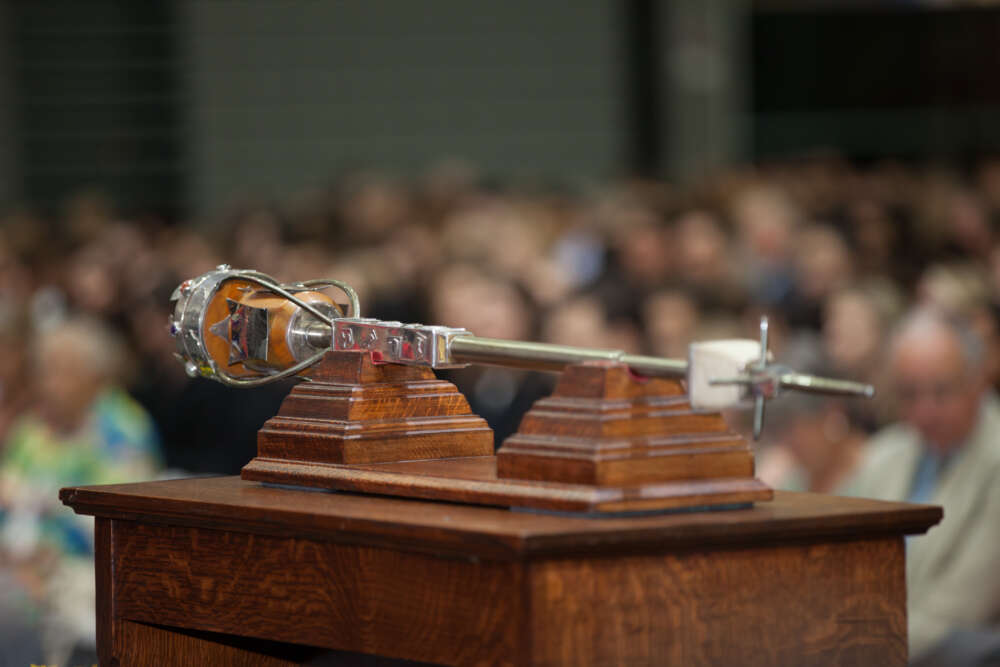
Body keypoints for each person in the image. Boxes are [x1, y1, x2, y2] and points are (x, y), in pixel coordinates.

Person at [0, 317, 161, 665]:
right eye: (44, 370)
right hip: (20, 566)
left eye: (62, 370)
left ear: (96, 376)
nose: (48, 383)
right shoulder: (33, 430)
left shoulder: (122, 432)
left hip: (85, 575)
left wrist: (44, 558)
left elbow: (113, 529)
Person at [850, 308, 1000, 664]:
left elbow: (962, 608)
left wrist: (853, 645)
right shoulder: (884, 454)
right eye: (909, 394)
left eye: (941, 392)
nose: (924, 411)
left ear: (977, 382)